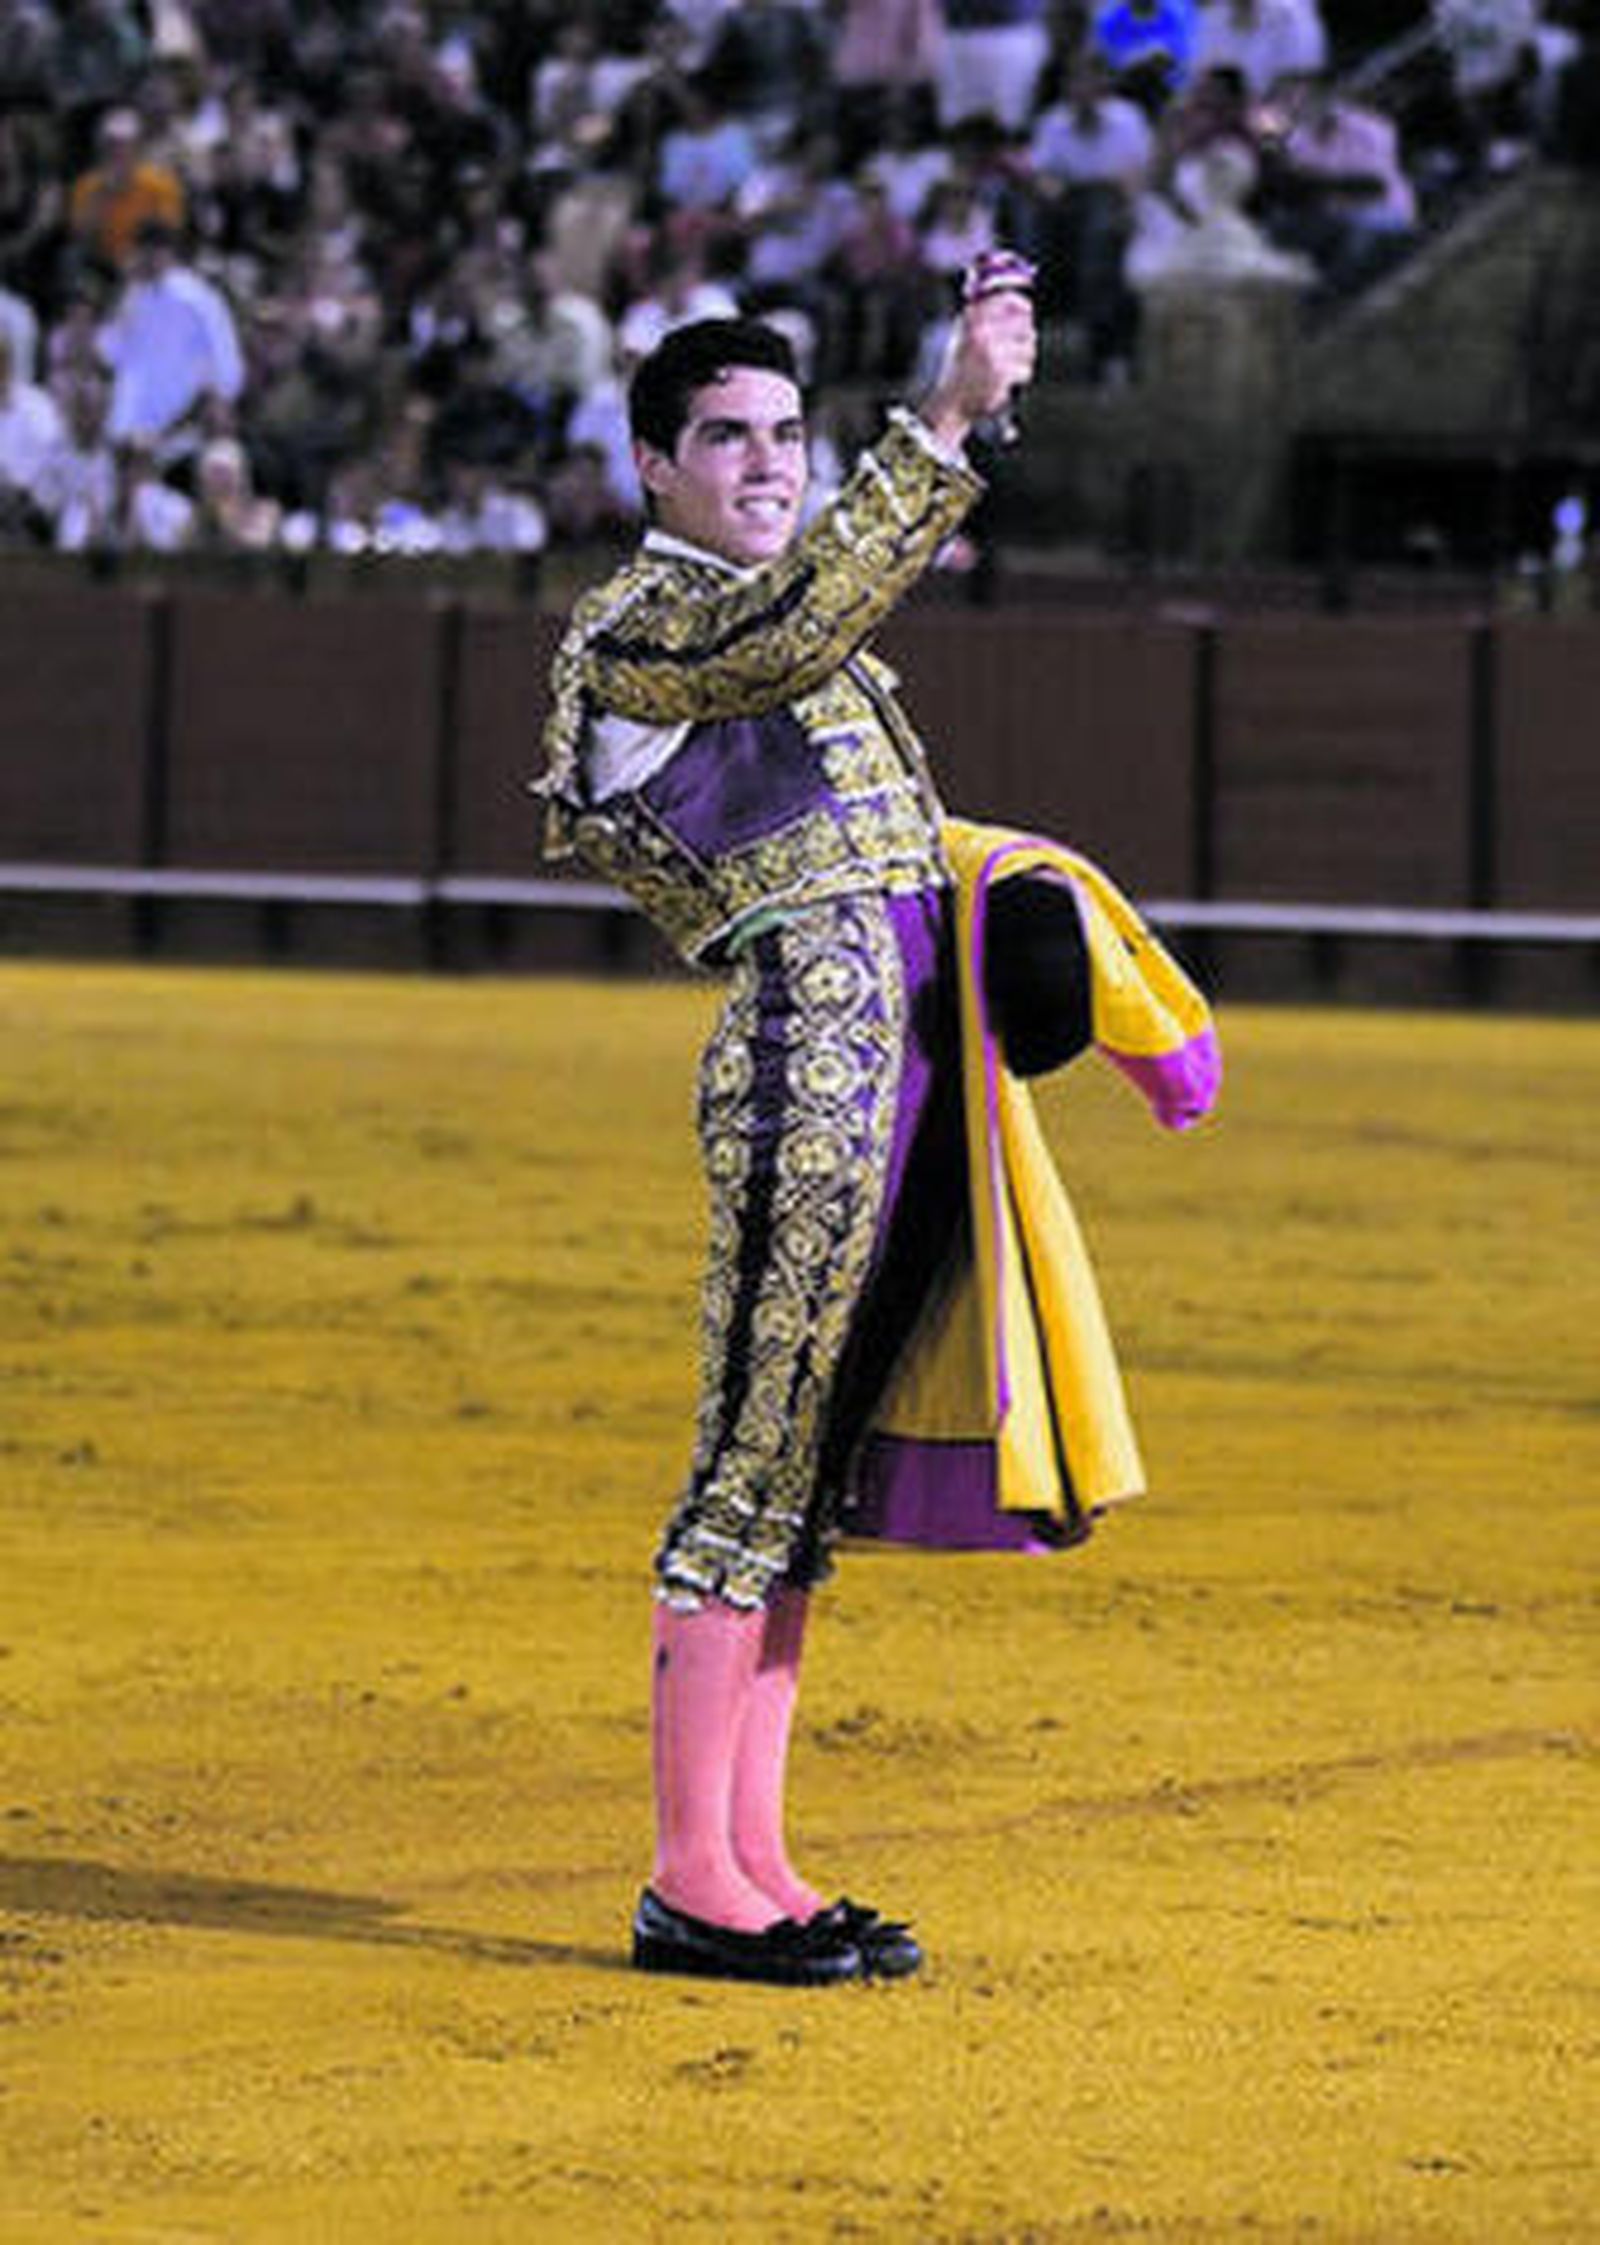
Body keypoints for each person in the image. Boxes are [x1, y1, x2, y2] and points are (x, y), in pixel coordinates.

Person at [537, 283, 1221, 1988]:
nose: (768, 463)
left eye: (788, 432)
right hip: (805, 1073)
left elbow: (911, 847)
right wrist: (950, 417)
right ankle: (687, 1877)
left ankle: (754, 1859)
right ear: (653, 465)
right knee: (753, 1459)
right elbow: (791, 631)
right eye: (727, 438)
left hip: (913, 1076)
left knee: (809, 1480)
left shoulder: (794, 632)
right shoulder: (640, 630)